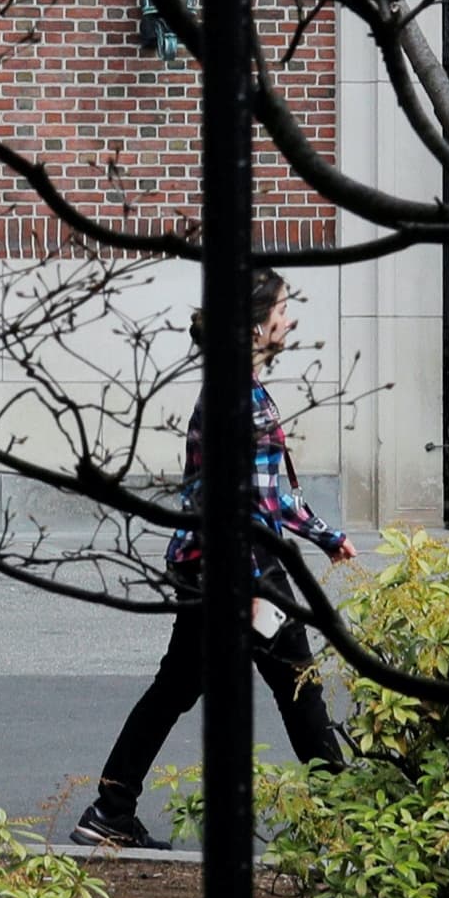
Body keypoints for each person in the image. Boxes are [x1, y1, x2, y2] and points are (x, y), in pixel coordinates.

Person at [70, 269, 358, 849]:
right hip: (242, 568)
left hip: (222, 564)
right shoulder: (238, 399)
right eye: (282, 309)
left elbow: (270, 492)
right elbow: (241, 504)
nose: (290, 318)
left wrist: (327, 536)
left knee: (175, 689)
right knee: (301, 690)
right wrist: (254, 587)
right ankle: (347, 827)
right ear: (255, 327)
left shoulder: (239, 388)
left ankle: (111, 807)